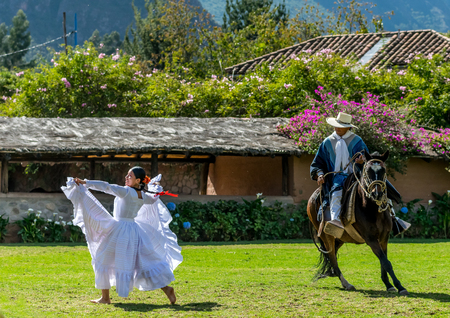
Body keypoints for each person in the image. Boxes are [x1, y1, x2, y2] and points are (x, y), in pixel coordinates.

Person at [61, 166, 183, 304]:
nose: (126, 177)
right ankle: (167, 289)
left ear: (138, 180)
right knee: (143, 263)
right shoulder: (143, 195)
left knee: (103, 257)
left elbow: (106, 187)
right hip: (134, 231)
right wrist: (154, 189)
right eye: (127, 175)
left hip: (120, 230)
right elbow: (153, 199)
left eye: (129, 176)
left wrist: (85, 182)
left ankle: (105, 298)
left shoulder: (126, 192)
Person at [310, 112, 369, 237]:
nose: (338, 128)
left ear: (349, 127)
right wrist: (319, 174)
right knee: (337, 192)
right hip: (336, 177)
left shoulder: (357, 141)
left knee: (380, 186)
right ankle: (335, 220)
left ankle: (392, 218)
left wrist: (362, 161)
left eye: (341, 126)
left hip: (356, 175)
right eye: (337, 125)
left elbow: (366, 158)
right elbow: (317, 162)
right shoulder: (327, 142)